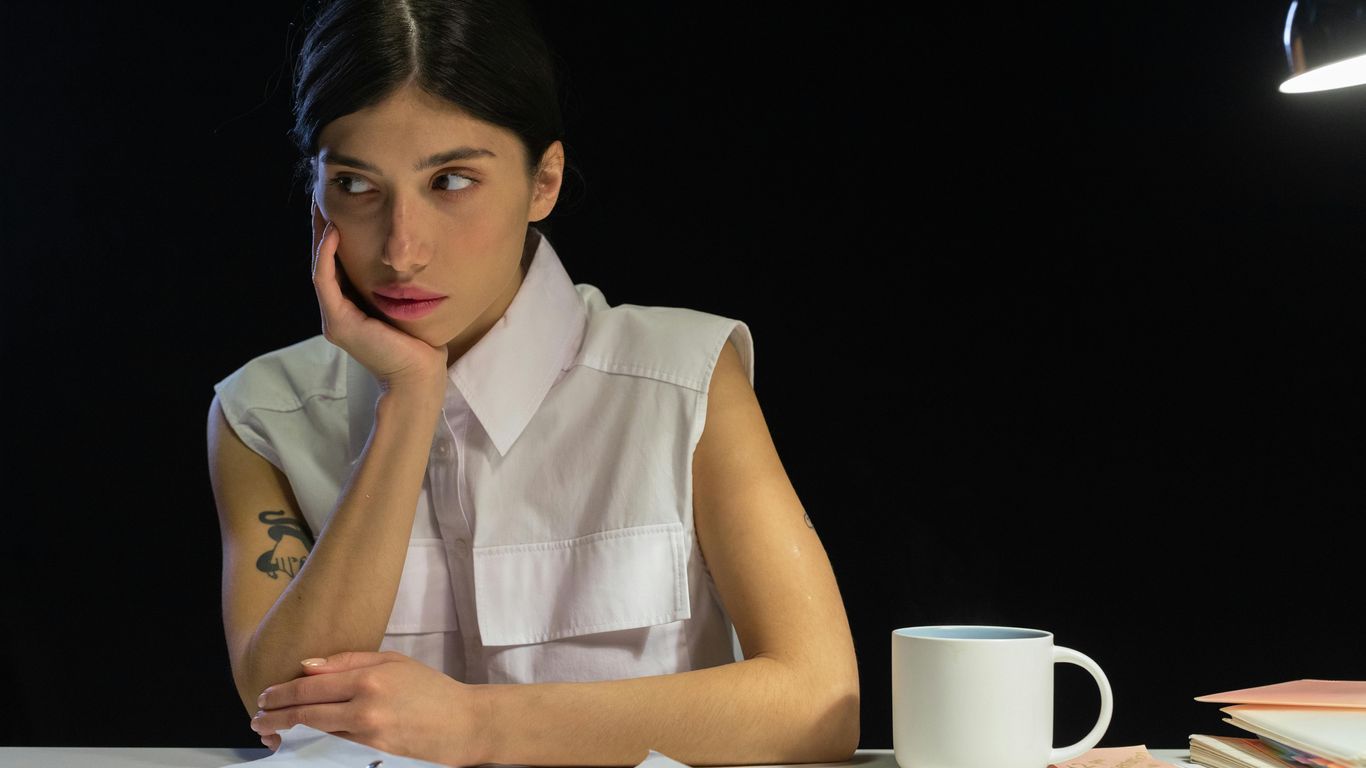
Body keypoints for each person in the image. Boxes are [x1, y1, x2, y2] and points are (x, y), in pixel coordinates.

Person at [205, 1, 859, 765]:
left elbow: (818, 700)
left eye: (451, 180)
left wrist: (478, 726)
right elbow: (280, 707)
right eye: (355, 185)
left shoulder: (680, 378)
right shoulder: (263, 414)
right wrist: (409, 404)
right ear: (316, 195)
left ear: (543, 180)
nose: (402, 250)